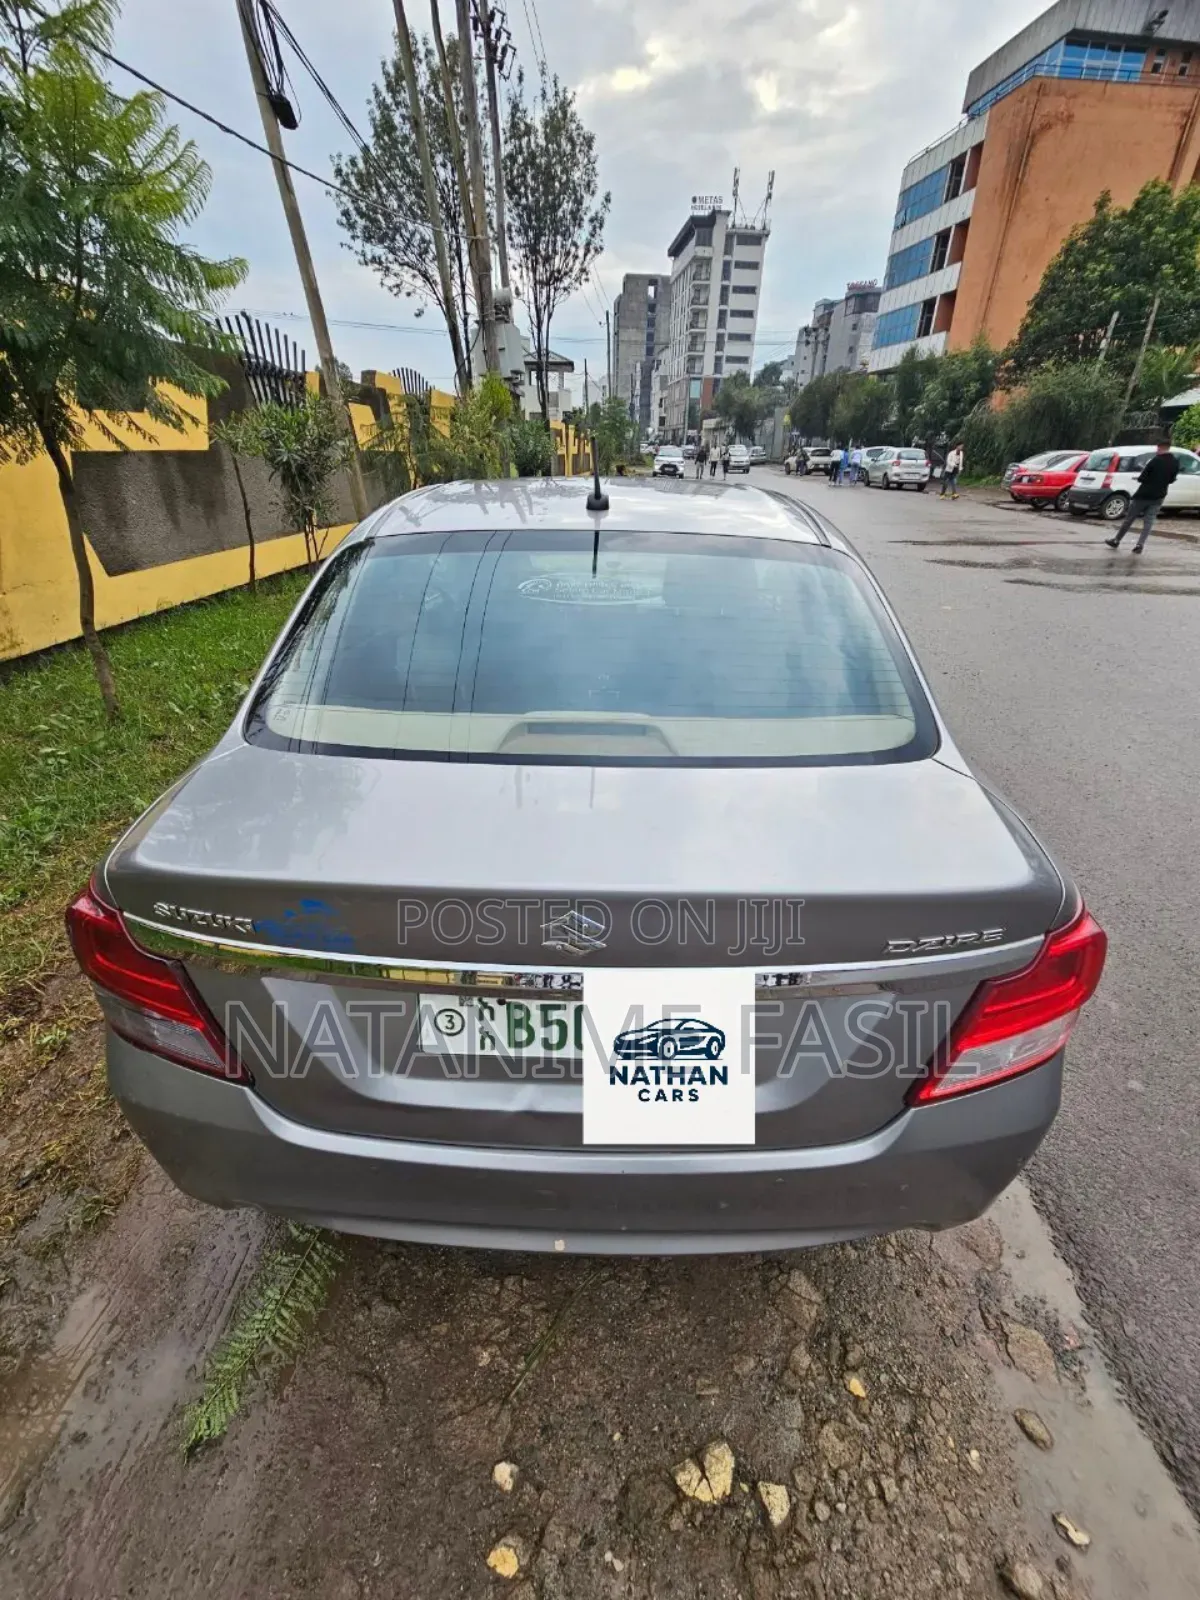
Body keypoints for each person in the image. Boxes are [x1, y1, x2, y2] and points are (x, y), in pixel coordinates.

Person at [1105, 440, 1178, 554]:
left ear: (1159, 448)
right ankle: (1140, 544)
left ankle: (1116, 540)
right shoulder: (1175, 462)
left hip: (1144, 495)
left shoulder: (1155, 460)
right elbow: (1172, 479)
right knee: (1149, 521)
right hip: (1159, 495)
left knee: (1129, 519)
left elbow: (1142, 478)